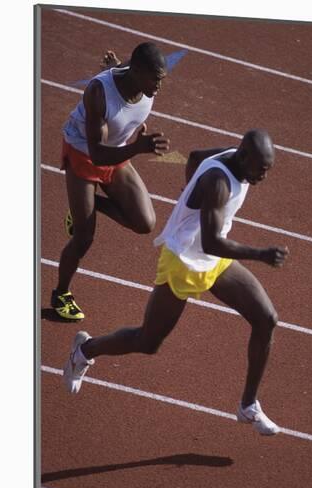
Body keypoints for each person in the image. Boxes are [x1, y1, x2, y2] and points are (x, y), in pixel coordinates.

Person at [63, 129, 289, 436]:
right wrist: (260, 253)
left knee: (266, 319)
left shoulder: (230, 157)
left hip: (213, 258)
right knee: (147, 342)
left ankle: (247, 405)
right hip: (184, 260)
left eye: (269, 168)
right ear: (245, 156)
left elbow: (195, 156)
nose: (265, 175)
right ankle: (85, 351)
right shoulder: (219, 184)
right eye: (261, 168)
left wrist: (188, 191)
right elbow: (211, 243)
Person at [51, 42, 170, 320]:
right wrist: (137, 148)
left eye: (162, 79)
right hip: (84, 153)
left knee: (144, 222)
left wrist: (112, 67)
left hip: (115, 153)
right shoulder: (98, 93)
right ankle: (60, 295)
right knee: (84, 238)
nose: (159, 87)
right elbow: (97, 154)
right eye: (155, 79)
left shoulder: (139, 81)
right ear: (138, 71)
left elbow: (122, 71)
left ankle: (87, 207)